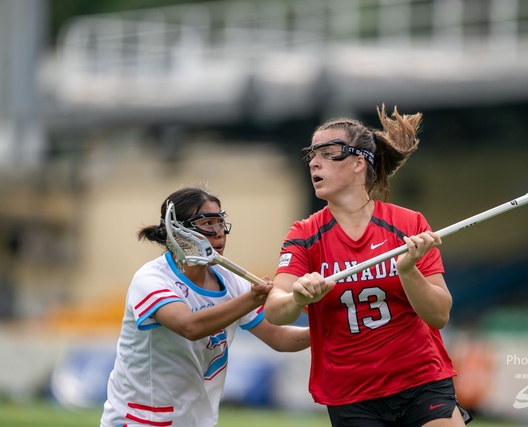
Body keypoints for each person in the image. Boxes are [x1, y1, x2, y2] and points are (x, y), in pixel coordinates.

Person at [264, 105, 471, 427]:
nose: (314, 162)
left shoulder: (408, 224)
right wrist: (297, 298)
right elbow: (275, 311)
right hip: (351, 394)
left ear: (359, 163)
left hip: (421, 380)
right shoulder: (304, 234)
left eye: (328, 153)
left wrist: (407, 270)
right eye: (311, 155)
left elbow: (439, 315)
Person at [100, 187, 310, 427]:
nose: (219, 232)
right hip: (139, 420)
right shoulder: (151, 279)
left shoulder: (233, 281)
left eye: (220, 222)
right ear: (178, 231)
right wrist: (251, 299)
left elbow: (278, 337)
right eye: (208, 223)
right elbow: (189, 326)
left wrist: (325, 330)